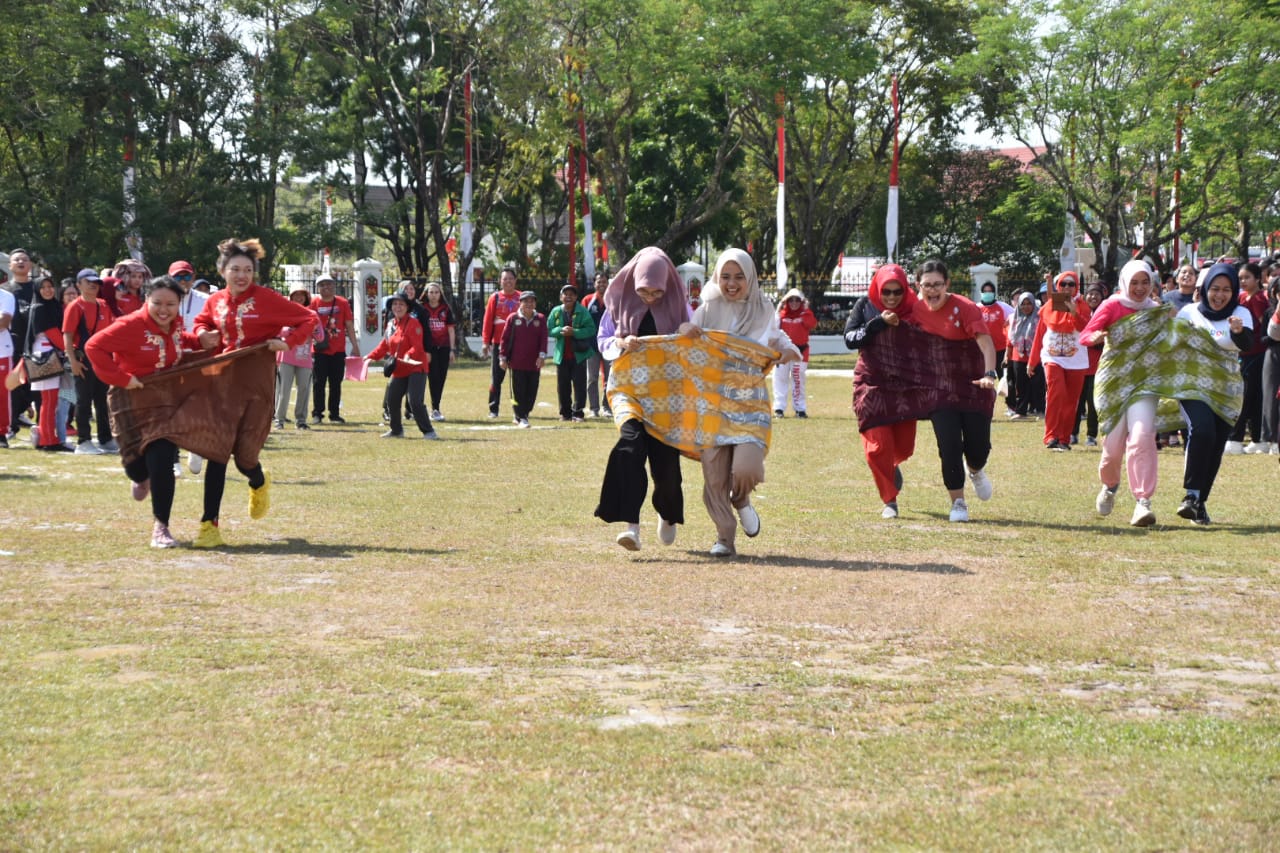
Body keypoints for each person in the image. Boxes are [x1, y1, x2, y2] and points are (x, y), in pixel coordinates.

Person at [190, 238, 319, 547]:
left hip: (256, 385)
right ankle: (209, 527)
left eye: (247, 270)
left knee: (245, 458)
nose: (241, 276)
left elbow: (308, 318)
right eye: (235, 269)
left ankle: (259, 482)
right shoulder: (215, 300)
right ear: (222, 270)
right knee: (217, 454)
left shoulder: (267, 299)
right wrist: (201, 334)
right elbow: (202, 321)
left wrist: (287, 342)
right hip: (222, 384)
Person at [683, 249, 801, 556]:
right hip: (713, 403)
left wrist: (789, 350)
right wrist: (686, 330)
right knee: (714, 475)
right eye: (725, 277)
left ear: (750, 277)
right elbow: (687, 336)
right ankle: (724, 537)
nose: (732, 284)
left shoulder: (764, 308)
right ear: (716, 278)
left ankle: (742, 499)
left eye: (738, 277)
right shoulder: (707, 307)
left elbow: (776, 339)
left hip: (750, 402)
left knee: (747, 468)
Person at [84, 278, 203, 547]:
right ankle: (140, 476)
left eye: (171, 304)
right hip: (129, 400)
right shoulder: (129, 325)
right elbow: (94, 347)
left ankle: (161, 527)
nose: (164, 309)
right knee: (135, 466)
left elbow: (178, 340)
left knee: (162, 460)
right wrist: (122, 377)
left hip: (165, 400)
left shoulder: (176, 324)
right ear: (146, 301)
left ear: (179, 304)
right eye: (157, 303)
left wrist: (198, 340)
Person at [594, 248, 690, 550]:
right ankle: (631, 525)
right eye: (644, 291)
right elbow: (604, 340)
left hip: (666, 393)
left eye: (656, 292)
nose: (649, 297)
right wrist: (621, 342)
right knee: (630, 446)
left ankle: (668, 512)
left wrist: (687, 331)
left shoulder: (679, 304)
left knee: (666, 464)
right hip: (627, 389)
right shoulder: (617, 300)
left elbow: (692, 337)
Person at [906, 259, 998, 523]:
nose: (932, 291)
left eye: (937, 284)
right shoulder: (914, 309)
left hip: (973, 384)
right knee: (949, 445)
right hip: (939, 388)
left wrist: (990, 374)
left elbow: (987, 344)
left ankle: (976, 470)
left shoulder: (966, 308)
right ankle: (958, 502)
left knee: (978, 447)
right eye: (927, 285)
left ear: (947, 284)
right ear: (918, 286)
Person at [1080, 259, 1163, 527]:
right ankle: (1110, 485)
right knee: (1113, 447)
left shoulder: (1157, 310)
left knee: (1142, 436)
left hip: (1144, 383)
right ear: (1125, 282)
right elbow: (1086, 334)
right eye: (1135, 282)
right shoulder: (1112, 305)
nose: (1140, 288)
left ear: (1152, 283)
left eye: (1145, 282)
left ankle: (1143, 502)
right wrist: (1096, 337)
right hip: (1114, 381)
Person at [1172, 262, 1252, 525]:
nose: (1219, 295)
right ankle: (1191, 495)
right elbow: (1172, 343)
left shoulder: (1241, 313)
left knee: (1216, 444)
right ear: (1204, 289)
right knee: (1202, 429)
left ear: (1234, 291)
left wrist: (1238, 332)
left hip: (1227, 389)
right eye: (1215, 289)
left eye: (1226, 290)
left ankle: (1200, 503)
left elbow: (1248, 344)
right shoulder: (1188, 313)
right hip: (1192, 384)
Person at [844, 264, 919, 518]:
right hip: (871, 384)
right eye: (886, 291)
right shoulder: (865, 305)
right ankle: (890, 500)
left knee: (905, 446)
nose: (891, 297)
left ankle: (892, 464)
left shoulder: (914, 308)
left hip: (903, 387)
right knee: (877, 446)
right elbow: (849, 338)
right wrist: (878, 323)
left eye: (897, 291)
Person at [1027, 271, 1092, 451]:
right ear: (1058, 286)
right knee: (1057, 393)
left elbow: (1086, 329)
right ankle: (1051, 436)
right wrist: (1032, 362)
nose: (1067, 288)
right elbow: (1040, 335)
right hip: (1053, 358)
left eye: (1071, 284)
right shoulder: (1050, 305)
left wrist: (1074, 313)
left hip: (1076, 360)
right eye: (1063, 284)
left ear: (1077, 286)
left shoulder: (1082, 306)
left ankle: (1064, 439)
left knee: (1071, 400)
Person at [366, 291, 439, 440]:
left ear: (407, 307)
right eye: (395, 304)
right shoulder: (391, 324)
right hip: (399, 369)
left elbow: (417, 346)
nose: (397, 307)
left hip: (416, 367)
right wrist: (370, 357)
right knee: (392, 399)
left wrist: (408, 355)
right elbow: (384, 345)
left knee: (414, 401)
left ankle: (429, 431)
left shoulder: (414, 323)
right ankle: (396, 430)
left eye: (401, 304)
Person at [63, 268, 117, 454]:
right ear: (79, 285)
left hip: (101, 358)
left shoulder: (103, 305)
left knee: (103, 401)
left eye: (96, 282)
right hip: (83, 359)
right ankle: (83, 441)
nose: (94, 284)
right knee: (83, 400)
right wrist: (73, 362)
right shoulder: (75, 307)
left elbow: (111, 332)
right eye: (88, 281)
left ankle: (105, 438)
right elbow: (68, 337)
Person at [1225, 261, 1269, 454]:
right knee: (1248, 396)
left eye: (1247, 277)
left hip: (1256, 354)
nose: (1243, 281)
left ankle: (1237, 438)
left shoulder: (1258, 299)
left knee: (1247, 397)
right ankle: (1254, 438)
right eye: (1240, 278)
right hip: (1244, 354)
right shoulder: (1242, 298)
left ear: (1258, 278)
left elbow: (1264, 325)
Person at [24, 275, 70, 451]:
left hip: (48, 355)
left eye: (50, 286)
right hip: (44, 356)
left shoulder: (50, 307)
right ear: (37, 290)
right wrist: (71, 349)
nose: (47, 290)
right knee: (49, 401)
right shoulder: (41, 308)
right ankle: (48, 441)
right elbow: (53, 334)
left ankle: (47, 439)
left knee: (49, 401)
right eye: (42, 287)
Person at [310, 274, 360, 424]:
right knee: (319, 382)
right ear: (318, 288)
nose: (326, 287)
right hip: (319, 350)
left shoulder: (343, 303)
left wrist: (355, 346)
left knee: (335, 383)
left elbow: (349, 325)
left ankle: (334, 414)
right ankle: (317, 413)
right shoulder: (313, 303)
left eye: (329, 284)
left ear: (334, 286)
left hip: (338, 350)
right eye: (322, 285)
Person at [498, 290, 548, 428]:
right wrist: (502, 358)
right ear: (520, 303)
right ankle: (521, 416)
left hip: (534, 363)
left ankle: (524, 414)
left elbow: (544, 339)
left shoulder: (541, 318)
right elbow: (505, 339)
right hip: (516, 362)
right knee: (518, 390)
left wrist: (542, 356)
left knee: (532, 391)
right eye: (525, 301)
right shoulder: (513, 318)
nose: (529, 304)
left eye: (532, 301)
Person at [547, 284, 596, 422]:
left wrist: (574, 332)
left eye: (572, 294)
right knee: (562, 386)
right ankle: (565, 413)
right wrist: (561, 330)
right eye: (565, 294)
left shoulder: (582, 311)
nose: (568, 296)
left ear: (575, 297)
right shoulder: (556, 311)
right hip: (561, 355)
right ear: (561, 297)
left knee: (580, 385)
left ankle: (578, 413)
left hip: (579, 355)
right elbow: (550, 329)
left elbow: (591, 329)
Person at [275, 284, 321, 430]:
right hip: (286, 356)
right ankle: (279, 420)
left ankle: (300, 420)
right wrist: (290, 330)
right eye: (296, 295)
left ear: (306, 297)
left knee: (304, 390)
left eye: (302, 295)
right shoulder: (285, 312)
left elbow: (320, 336)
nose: (299, 298)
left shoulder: (312, 314)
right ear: (291, 297)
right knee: (284, 390)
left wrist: (314, 329)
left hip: (305, 357)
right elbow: (277, 332)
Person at [481, 268, 522, 419]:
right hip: (499, 344)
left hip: (518, 345)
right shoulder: (495, 297)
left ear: (515, 280)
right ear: (500, 281)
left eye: (511, 278)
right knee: (496, 378)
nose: (508, 281)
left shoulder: (522, 297)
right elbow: (487, 321)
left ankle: (519, 409)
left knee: (518, 378)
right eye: (505, 279)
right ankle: (493, 409)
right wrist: (486, 342)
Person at [4, 248, 36, 439]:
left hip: (36, 343)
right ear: (10, 266)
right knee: (13, 385)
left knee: (34, 387)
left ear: (30, 264)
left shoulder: (39, 287)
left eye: (25, 259)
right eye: (17, 260)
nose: (21, 262)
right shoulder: (6, 290)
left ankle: (21, 415)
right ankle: (12, 424)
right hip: (13, 343)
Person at [773, 288, 818, 418]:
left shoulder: (805, 315)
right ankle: (779, 408)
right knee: (780, 379)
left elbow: (812, 324)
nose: (794, 303)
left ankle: (800, 409)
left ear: (801, 302)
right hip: (782, 352)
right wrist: (778, 310)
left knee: (798, 380)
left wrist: (805, 310)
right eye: (790, 300)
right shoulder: (781, 315)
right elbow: (773, 330)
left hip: (801, 352)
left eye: (797, 300)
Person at [1073, 282, 1106, 447]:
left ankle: (1091, 435)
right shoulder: (1080, 312)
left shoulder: (1105, 314)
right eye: (1090, 294)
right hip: (1078, 364)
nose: (1093, 297)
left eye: (1097, 294)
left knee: (1093, 402)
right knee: (1076, 401)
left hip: (1097, 365)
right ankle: (1073, 432)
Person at [421, 282, 457, 421]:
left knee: (441, 378)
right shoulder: (423, 309)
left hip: (444, 347)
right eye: (431, 292)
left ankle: (436, 407)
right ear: (426, 294)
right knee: (433, 376)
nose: (434, 295)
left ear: (440, 294)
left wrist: (452, 350)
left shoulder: (445, 309)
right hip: (429, 348)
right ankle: (434, 408)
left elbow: (451, 329)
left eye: (436, 292)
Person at [1005, 291, 1038, 419]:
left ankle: (1038, 409)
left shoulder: (1039, 317)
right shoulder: (1013, 318)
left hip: (1035, 356)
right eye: (1023, 304)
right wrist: (1007, 356)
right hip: (1018, 355)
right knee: (1020, 385)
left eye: (1029, 303)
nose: (1026, 307)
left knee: (1036, 384)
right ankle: (1021, 410)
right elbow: (1009, 338)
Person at [582, 271, 611, 417]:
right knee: (592, 378)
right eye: (599, 281)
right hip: (592, 346)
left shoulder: (613, 300)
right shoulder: (587, 300)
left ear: (608, 283)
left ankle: (607, 408)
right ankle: (594, 409)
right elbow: (581, 321)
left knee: (609, 377)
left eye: (604, 281)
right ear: (594, 284)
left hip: (609, 346)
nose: (601, 284)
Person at [0, 270, 13, 448]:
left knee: (2, 394)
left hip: (1, 351)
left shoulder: (6, 296)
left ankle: (2, 432)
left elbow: (3, 322)